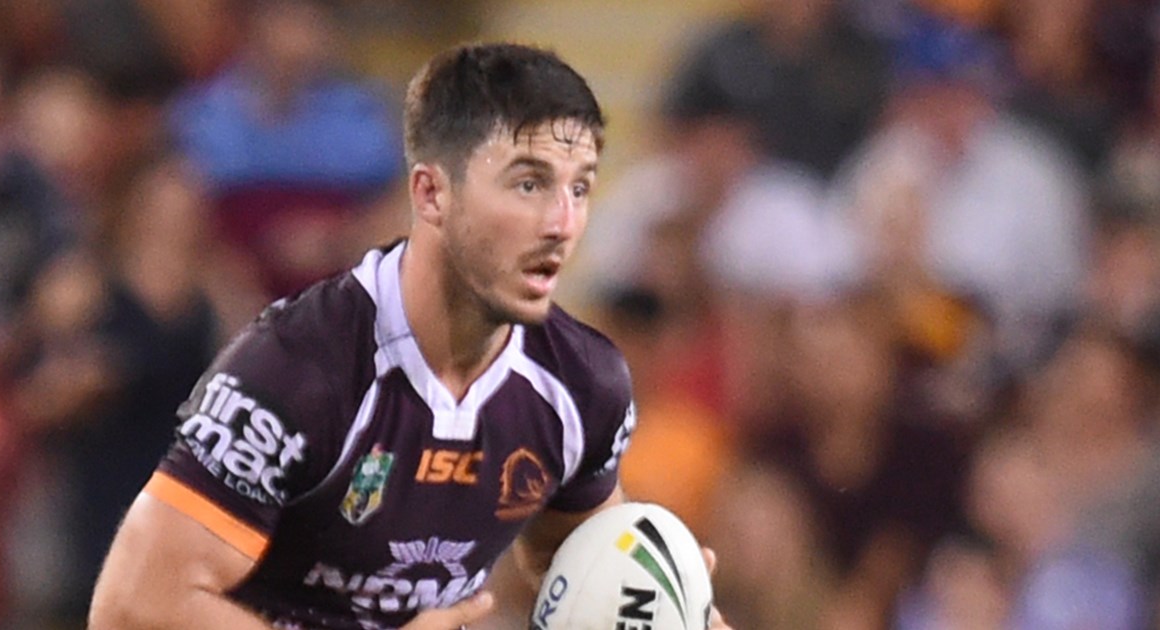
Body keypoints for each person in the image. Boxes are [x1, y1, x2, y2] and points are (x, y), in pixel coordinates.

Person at [89, 43, 726, 630]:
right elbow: (132, 606)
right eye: (529, 183)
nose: (562, 223)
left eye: (580, 187)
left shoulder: (582, 383)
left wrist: (667, 604)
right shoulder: (296, 372)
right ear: (430, 193)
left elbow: (572, 561)